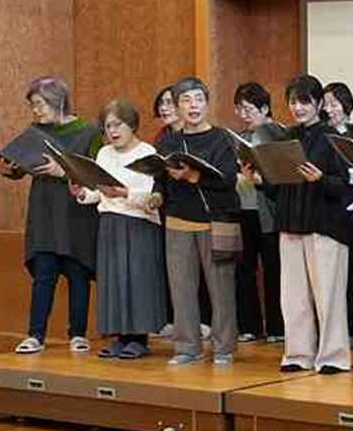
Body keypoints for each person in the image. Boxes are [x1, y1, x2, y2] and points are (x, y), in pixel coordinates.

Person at [257, 75, 353, 374]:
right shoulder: (286, 137)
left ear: (319, 103)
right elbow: (278, 188)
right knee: (293, 296)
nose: (297, 108)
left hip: (325, 226)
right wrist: (260, 180)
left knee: (327, 296)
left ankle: (334, 356)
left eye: (304, 101)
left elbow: (346, 186)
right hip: (290, 222)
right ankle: (298, 354)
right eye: (292, 102)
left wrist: (321, 179)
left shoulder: (333, 138)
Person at [5, 76, 102, 354]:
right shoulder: (35, 132)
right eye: (33, 106)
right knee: (43, 274)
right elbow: (21, 165)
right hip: (45, 212)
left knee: (77, 273)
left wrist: (63, 172)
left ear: (57, 101)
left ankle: (78, 334)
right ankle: (35, 335)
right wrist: (9, 169)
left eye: (39, 104)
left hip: (76, 212)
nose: (35, 111)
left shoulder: (88, 132)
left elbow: (99, 173)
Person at [71, 99, 168, 359]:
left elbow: (150, 197)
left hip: (138, 224)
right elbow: (98, 191)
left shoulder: (147, 152)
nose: (112, 131)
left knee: (137, 279)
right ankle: (120, 337)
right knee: (113, 281)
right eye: (107, 126)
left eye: (117, 125)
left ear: (132, 125)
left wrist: (124, 193)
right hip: (109, 223)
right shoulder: (104, 153)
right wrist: (82, 193)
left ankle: (139, 339)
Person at [154, 76, 241, 365]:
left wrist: (194, 176)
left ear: (207, 103)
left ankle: (224, 347)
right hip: (178, 219)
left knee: (221, 288)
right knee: (181, 288)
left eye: (199, 99)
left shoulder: (221, 138)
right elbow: (159, 176)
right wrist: (157, 193)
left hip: (216, 220)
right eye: (186, 100)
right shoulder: (168, 141)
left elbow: (228, 179)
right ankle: (187, 347)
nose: (193, 106)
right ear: (177, 107)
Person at [232, 82, 286, 343]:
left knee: (274, 269)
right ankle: (249, 326)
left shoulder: (279, 134)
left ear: (265, 109)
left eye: (249, 109)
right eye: (239, 109)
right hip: (244, 207)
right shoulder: (242, 137)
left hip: (270, 211)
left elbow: (283, 175)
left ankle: (277, 327)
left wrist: (259, 179)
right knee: (245, 269)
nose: (243, 115)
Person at [322, 81, 353, 347]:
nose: (329, 109)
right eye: (325, 104)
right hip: (325, 208)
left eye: (334, 104)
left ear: (346, 105)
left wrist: (348, 176)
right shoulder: (321, 135)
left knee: (351, 272)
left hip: (350, 209)